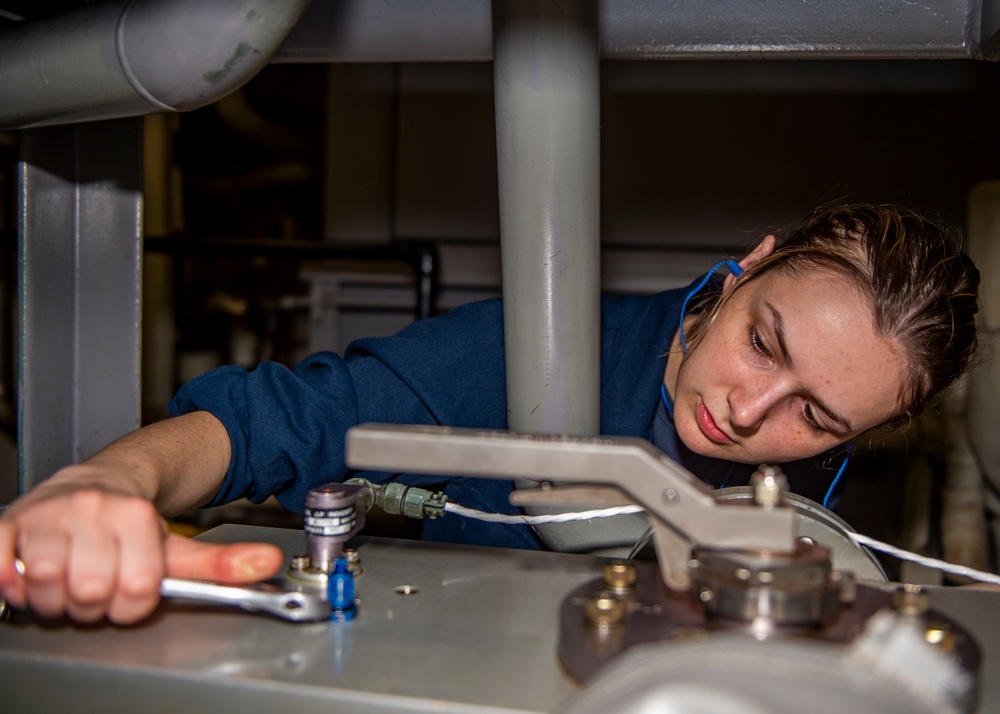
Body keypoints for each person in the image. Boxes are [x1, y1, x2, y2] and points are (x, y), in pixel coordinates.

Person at [0, 202, 980, 624]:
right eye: (764, 342)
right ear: (750, 263)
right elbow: (268, 424)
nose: (747, 410)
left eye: (815, 416)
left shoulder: (830, 481)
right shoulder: (528, 356)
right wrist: (105, 483)